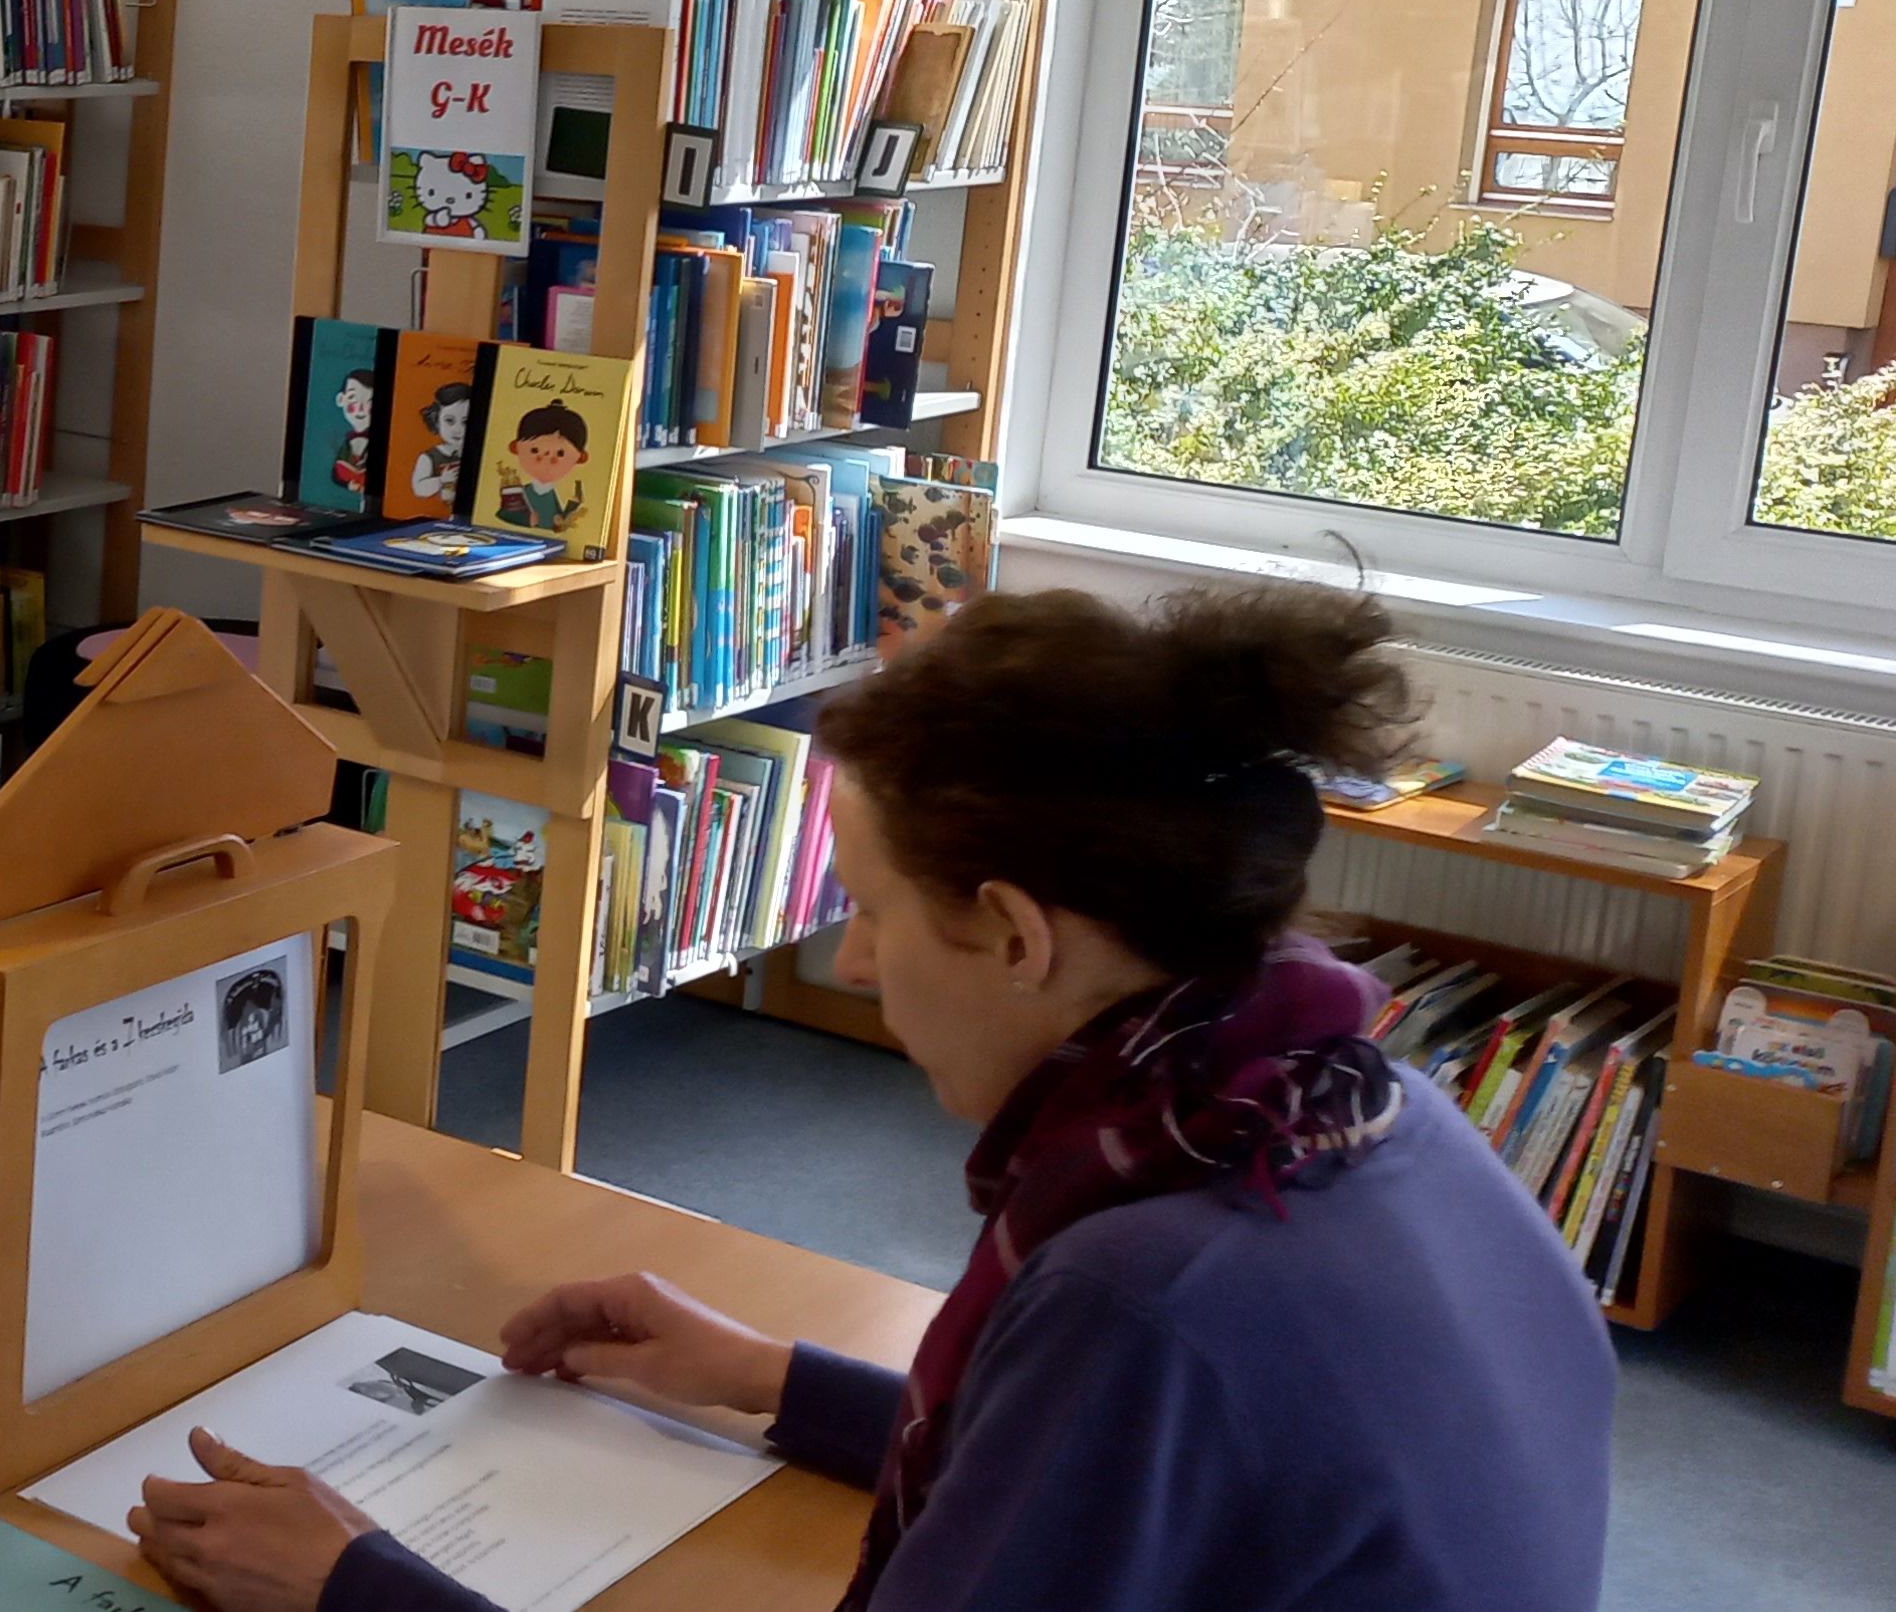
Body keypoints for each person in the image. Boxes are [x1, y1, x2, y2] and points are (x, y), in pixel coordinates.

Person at [129, 585, 1617, 1612]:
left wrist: (355, 1585)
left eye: (876, 909)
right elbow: (1102, 1474)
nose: (849, 961)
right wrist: (770, 1377)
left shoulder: (1138, 1287)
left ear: (1017, 934)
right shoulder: (1347, 1107)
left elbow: (1118, 1411)